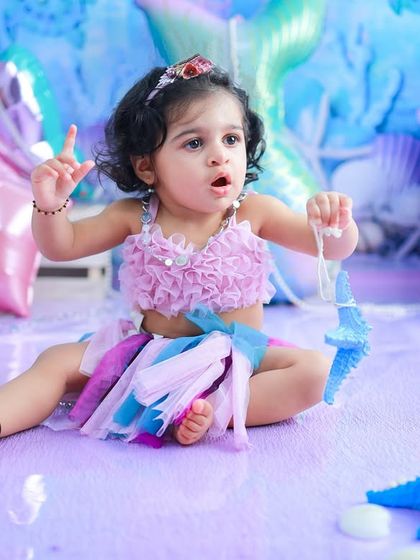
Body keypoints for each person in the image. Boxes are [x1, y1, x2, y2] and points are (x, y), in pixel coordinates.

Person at [0, 54, 358, 449]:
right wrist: (50, 205)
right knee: (56, 361)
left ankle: (208, 410)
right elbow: (62, 246)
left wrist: (334, 221)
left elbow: (333, 247)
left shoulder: (255, 212)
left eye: (231, 139)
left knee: (315, 372)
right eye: (194, 143)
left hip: (237, 360)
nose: (219, 155)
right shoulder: (134, 216)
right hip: (150, 359)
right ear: (147, 167)